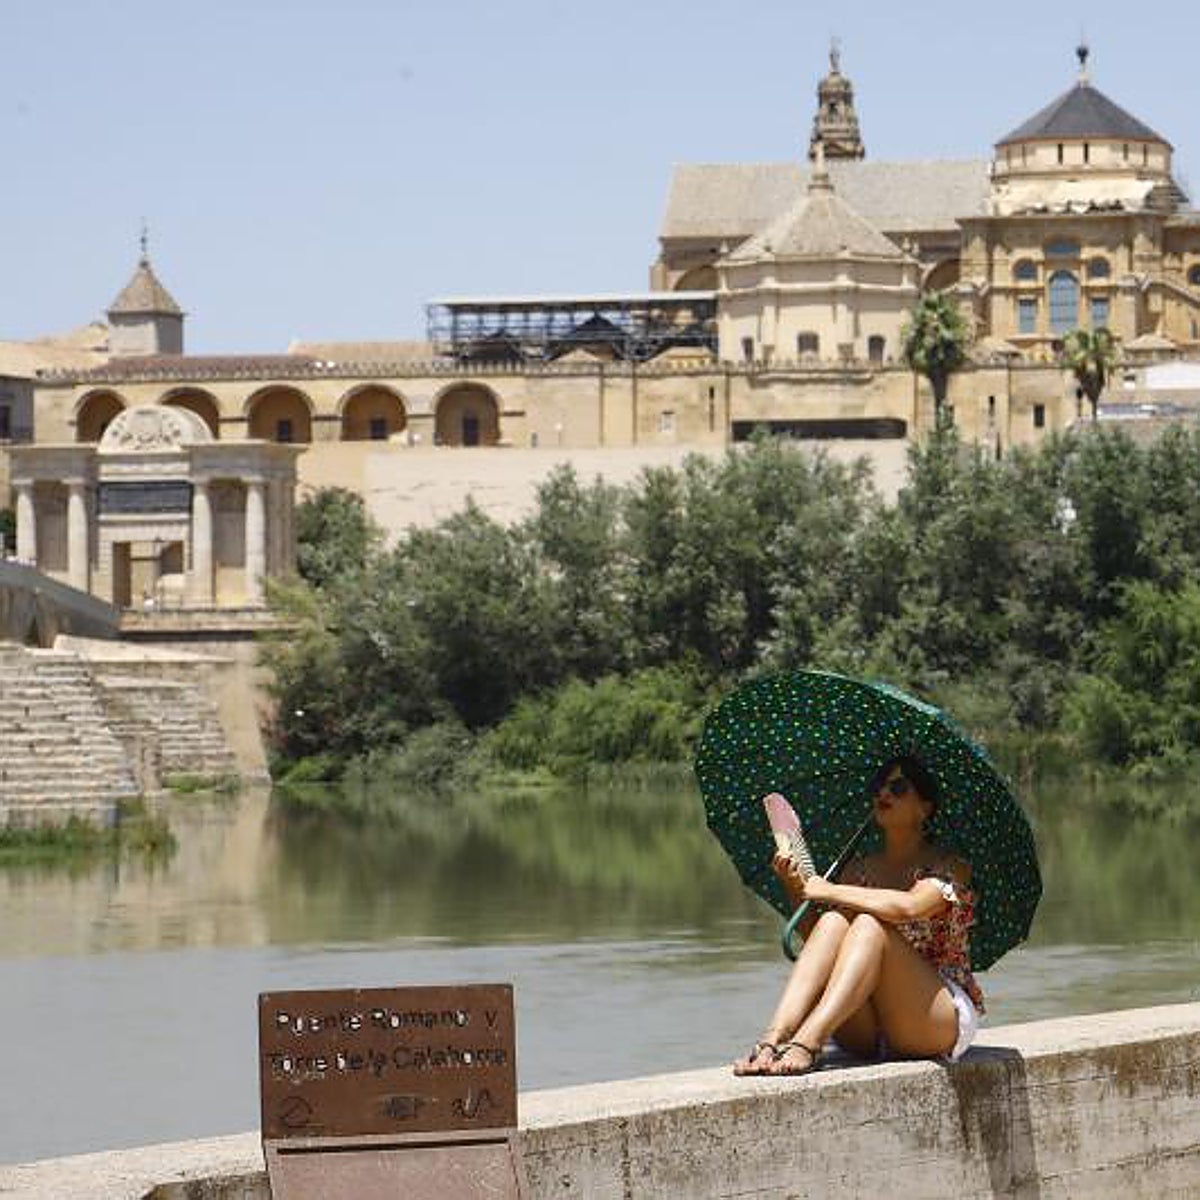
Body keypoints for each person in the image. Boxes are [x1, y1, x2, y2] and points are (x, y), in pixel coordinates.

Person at [733, 754, 983, 1076]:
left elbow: (909, 908)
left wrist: (830, 891)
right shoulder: (858, 869)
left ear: (925, 807)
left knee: (867, 925)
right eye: (879, 785)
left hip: (930, 1017)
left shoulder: (950, 866)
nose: (884, 794)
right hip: (866, 1026)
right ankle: (772, 1040)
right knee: (833, 921)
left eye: (898, 787)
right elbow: (818, 944)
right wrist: (796, 887)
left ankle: (807, 1041)